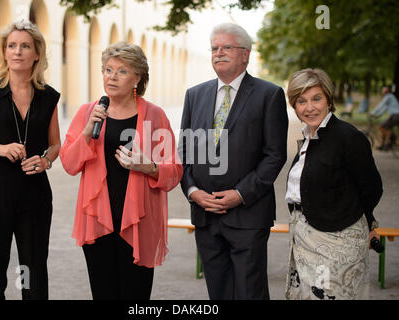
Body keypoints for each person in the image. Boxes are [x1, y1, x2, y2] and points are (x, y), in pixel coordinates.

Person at [59, 42, 183, 300]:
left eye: (122, 71)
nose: (112, 77)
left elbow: (175, 171)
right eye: (107, 70)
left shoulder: (155, 116)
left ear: (137, 77)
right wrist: (85, 132)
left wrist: (147, 166)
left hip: (139, 222)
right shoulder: (88, 112)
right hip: (97, 220)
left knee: (135, 296)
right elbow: (69, 164)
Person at [179, 23, 288, 300]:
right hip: (205, 214)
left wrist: (240, 194)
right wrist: (194, 193)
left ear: (245, 54)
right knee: (218, 292)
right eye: (214, 48)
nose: (218, 53)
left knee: (250, 292)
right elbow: (184, 153)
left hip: (248, 215)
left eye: (226, 47)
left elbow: (274, 154)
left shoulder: (269, 95)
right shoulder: (195, 95)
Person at [0, 20, 61, 300]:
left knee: (31, 276)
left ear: (36, 54)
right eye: (11, 45)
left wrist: (45, 161)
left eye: (25, 46)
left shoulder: (48, 97)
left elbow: (55, 145)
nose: (17, 51)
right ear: (4, 52)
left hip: (35, 197)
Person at [285, 68, 383, 300]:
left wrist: (348, 219)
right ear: (294, 106)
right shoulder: (310, 136)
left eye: (316, 98)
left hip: (337, 242)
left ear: (329, 100)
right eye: (301, 101)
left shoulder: (348, 138)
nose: (309, 107)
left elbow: (371, 188)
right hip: (304, 238)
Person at [370, 86, 399, 150]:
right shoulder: (390, 98)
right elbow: (384, 108)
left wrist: (372, 112)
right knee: (385, 127)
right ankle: (383, 145)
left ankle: (390, 137)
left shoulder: (389, 96)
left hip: (395, 115)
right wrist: (377, 115)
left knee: (381, 126)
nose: (382, 93)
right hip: (396, 116)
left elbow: (381, 105)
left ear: (385, 92)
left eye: (383, 91)